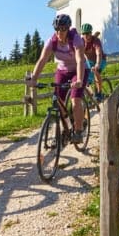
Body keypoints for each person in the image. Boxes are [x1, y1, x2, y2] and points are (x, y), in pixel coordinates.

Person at [29, 13, 87, 142]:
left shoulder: (76, 39)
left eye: (63, 29)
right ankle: (65, 129)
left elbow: (80, 60)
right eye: (57, 29)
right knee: (58, 100)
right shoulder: (52, 41)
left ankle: (78, 131)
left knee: (75, 99)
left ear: (67, 28)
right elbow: (42, 60)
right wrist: (34, 78)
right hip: (63, 70)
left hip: (79, 70)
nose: (59, 32)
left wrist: (79, 80)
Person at [80, 23, 107, 100]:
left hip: (101, 60)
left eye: (88, 33)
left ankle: (99, 93)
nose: (86, 35)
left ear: (91, 33)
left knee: (96, 72)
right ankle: (90, 96)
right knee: (85, 79)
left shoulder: (96, 41)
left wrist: (97, 64)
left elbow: (98, 53)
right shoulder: (81, 41)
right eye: (84, 34)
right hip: (90, 61)